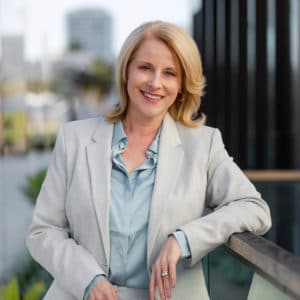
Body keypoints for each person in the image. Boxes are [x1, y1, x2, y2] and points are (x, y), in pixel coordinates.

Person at [27, 21, 271, 300]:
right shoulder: (74, 139)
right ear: (126, 71)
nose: (155, 83)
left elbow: (255, 209)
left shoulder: (203, 145)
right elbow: (43, 232)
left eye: (169, 73)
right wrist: (88, 279)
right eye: (145, 68)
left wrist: (183, 239)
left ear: (181, 85)